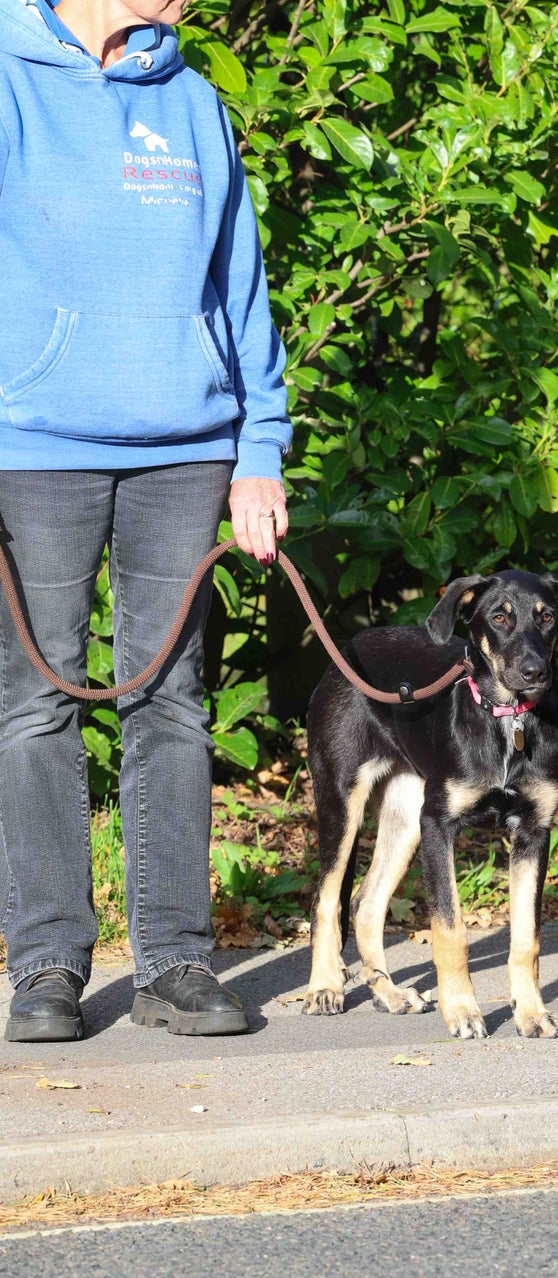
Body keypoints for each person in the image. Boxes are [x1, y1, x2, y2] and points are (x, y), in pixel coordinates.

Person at [0, 0, 291, 1041]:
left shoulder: (195, 102)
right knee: (37, 704)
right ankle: (46, 964)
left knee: (170, 699)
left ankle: (174, 960)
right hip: (34, 447)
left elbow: (241, 286)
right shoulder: (9, 77)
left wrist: (259, 450)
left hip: (186, 449)